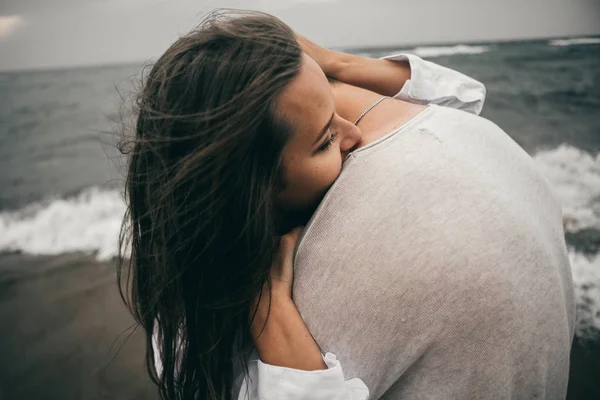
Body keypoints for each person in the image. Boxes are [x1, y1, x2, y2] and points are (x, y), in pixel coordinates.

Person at [117, 8, 573, 400]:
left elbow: (463, 97)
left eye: (336, 107)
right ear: (249, 194)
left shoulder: (284, 136)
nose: (355, 134)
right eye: (325, 141)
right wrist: (269, 303)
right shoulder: (189, 337)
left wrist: (335, 64)